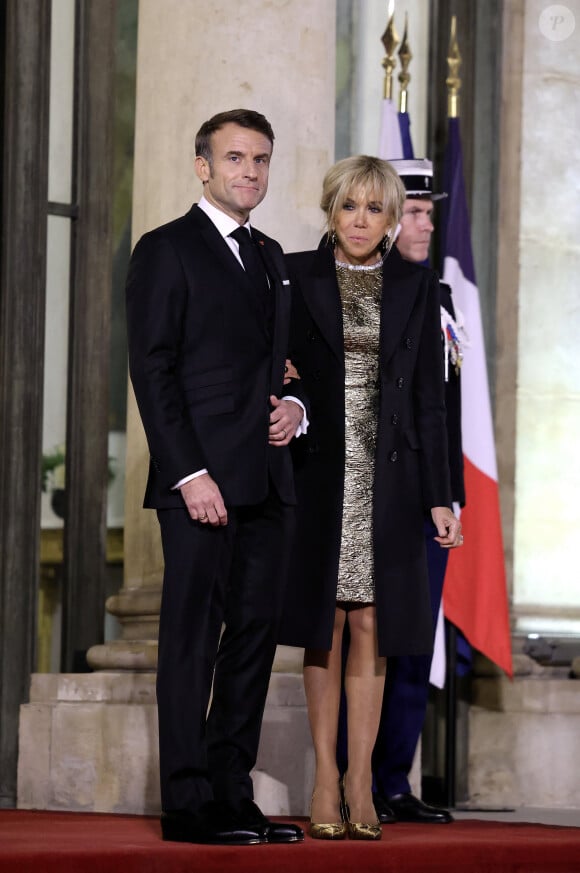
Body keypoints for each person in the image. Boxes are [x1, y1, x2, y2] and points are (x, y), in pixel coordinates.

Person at [126, 108, 306, 846]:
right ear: (203, 166)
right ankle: (188, 803)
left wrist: (295, 405)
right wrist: (188, 472)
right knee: (192, 643)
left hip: (266, 481)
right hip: (198, 484)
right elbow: (152, 369)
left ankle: (233, 792)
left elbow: (288, 365)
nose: (250, 172)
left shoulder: (270, 255)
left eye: (260, 160)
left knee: (254, 641)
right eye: (235, 158)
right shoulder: (165, 250)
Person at [279, 155, 462, 841]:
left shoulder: (418, 286)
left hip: (390, 480)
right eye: (349, 206)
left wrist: (442, 496)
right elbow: (271, 363)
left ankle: (362, 778)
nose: (361, 219)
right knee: (323, 624)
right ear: (332, 209)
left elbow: (430, 404)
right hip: (317, 476)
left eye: (375, 208)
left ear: (392, 218)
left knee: (372, 628)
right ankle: (324, 775)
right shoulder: (292, 274)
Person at [367, 158, 466, 826]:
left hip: (429, 495)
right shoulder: (362, 290)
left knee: (411, 640)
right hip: (375, 491)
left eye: (432, 212)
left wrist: (450, 495)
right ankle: (352, 776)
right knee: (362, 638)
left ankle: (394, 780)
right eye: (417, 212)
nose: (427, 224)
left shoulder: (440, 295)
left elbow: (445, 408)